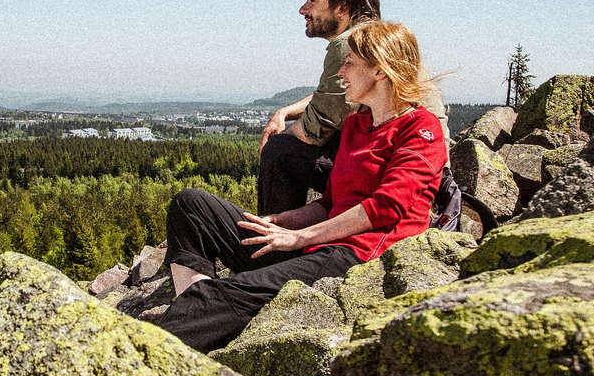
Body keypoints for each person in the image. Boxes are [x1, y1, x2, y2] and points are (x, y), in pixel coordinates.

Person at [159, 21, 447, 352]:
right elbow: (329, 202)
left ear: (380, 70)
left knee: (230, 291)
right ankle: (200, 310)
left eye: (350, 61)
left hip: (359, 257)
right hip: (318, 245)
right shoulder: (357, 125)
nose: (342, 71)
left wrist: (298, 238)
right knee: (191, 206)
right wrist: (282, 222)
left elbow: (385, 208)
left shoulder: (420, 129)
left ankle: (173, 342)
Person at [257, 0, 380, 215]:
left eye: (312, 1)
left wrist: (275, 140)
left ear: (343, 7)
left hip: (381, 174)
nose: (303, 10)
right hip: (414, 167)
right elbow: (335, 96)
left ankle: (273, 244)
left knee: (280, 151)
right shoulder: (376, 38)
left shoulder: (348, 45)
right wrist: (284, 112)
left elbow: (316, 130)